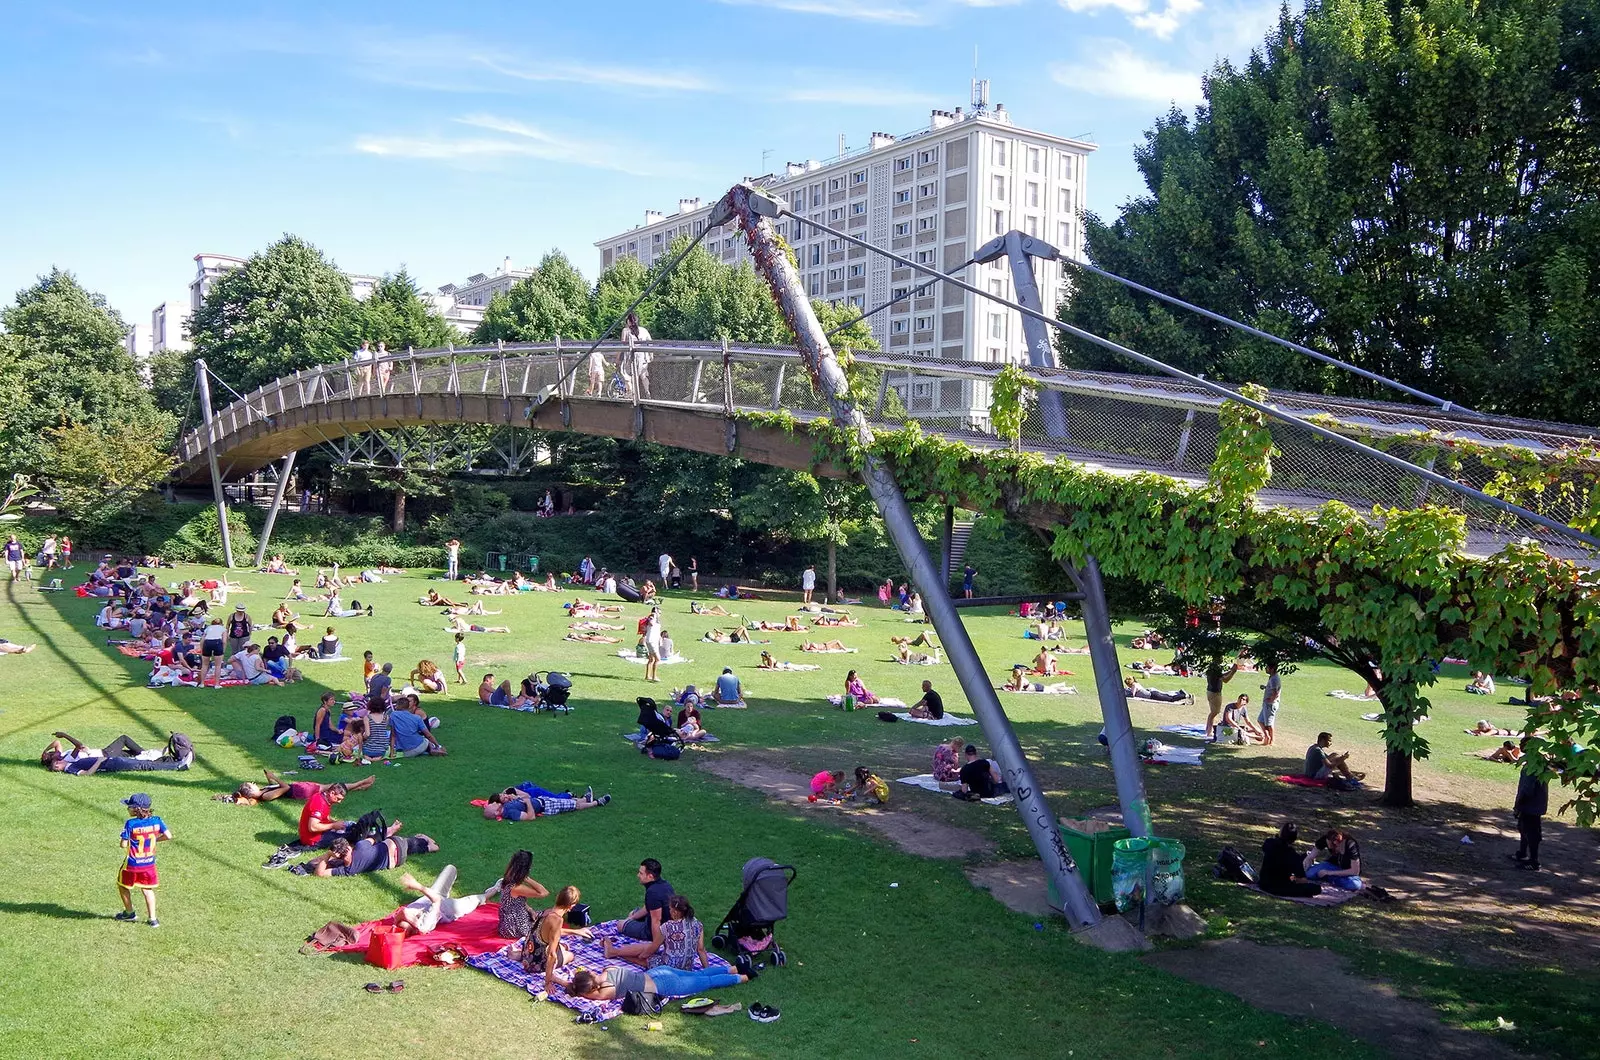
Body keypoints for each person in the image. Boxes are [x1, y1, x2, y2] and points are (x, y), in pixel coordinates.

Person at [604, 893, 708, 972]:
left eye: (670, 909)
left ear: (675, 912)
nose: (669, 911)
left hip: (669, 968)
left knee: (645, 956)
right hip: (687, 968)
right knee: (651, 951)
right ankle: (615, 951)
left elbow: (654, 947)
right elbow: (701, 949)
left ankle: (615, 952)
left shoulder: (668, 927)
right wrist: (707, 970)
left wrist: (642, 955)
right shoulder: (697, 924)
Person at [559, 962, 750, 1003]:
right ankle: (730, 968)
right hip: (658, 972)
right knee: (698, 974)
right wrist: (559, 979)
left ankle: (740, 977)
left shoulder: (606, 991)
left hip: (664, 986)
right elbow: (582, 983)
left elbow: (585, 992)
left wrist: (568, 986)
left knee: (706, 982)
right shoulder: (608, 970)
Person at [114, 793, 171, 927]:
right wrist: (154, 839)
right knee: (147, 889)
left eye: (129, 807)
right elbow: (168, 836)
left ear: (135, 809)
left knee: (122, 885)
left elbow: (123, 844)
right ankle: (153, 919)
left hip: (132, 864)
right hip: (149, 863)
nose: (127, 809)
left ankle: (129, 913)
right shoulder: (157, 820)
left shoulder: (131, 823)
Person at [391, 865, 495, 937]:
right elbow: (436, 901)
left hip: (432, 895)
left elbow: (402, 912)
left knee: (451, 869)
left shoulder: (399, 920)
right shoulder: (424, 925)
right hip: (448, 908)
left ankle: (445, 893)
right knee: (474, 900)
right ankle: (495, 889)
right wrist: (418, 886)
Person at [521, 886, 591, 982]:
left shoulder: (548, 912)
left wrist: (576, 932)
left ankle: (516, 955)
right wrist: (548, 982)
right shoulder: (557, 920)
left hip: (527, 954)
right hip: (535, 965)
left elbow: (551, 932)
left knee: (564, 946)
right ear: (571, 906)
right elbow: (551, 954)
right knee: (570, 955)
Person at [306, 829, 439, 877]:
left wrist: (328, 855)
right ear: (349, 848)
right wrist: (391, 830)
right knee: (410, 841)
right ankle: (426, 840)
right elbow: (375, 838)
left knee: (413, 847)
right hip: (398, 844)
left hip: (398, 861)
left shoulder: (349, 870)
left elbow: (320, 873)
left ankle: (427, 846)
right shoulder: (361, 846)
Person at [222, 768, 372, 805]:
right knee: (333, 786)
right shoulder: (266, 796)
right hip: (300, 791)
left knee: (330, 786)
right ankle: (360, 783)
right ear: (251, 793)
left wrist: (269, 779)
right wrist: (275, 777)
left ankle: (358, 787)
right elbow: (285, 788)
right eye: (252, 785)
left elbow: (275, 788)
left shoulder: (264, 791)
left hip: (299, 788)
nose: (254, 784)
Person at [493, 850, 550, 939]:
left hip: (507, 924)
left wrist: (530, 910)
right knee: (550, 919)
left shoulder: (508, 878)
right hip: (515, 926)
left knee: (547, 914)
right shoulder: (516, 888)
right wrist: (527, 879)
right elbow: (544, 892)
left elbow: (515, 901)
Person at [1512, 739, 1548, 871]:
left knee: (1531, 832)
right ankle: (1522, 853)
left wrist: (1518, 805)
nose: (1520, 746)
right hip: (1533, 802)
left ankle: (1534, 861)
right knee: (1523, 828)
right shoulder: (1537, 760)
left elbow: (1528, 788)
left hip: (1531, 804)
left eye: (1523, 744)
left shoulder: (1533, 763)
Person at [1258, 823, 1322, 898]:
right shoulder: (1292, 855)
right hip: (1279, 887)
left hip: (1263, 883)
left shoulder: (1269, 843)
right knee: (1316, 888)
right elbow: (1303, 880)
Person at [620, 858, 675, 942]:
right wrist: (631, 918)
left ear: (650, 876)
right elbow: (648, 908)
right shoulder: (665, 884)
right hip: (667, 923)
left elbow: (656, 920)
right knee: (633, 913)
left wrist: (656, 943)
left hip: (656, 931)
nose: (638, 875)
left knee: (620, 924)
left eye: (641, 873)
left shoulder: (653, 893)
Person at [484, 785, 610, 820]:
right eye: (492, 805)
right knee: (574, 806)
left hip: (543, 801)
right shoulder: (510, 813)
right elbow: (530, 817)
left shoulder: (506, 807)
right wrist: (527, 802)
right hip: (546, 806)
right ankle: (597, 803)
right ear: (496, 811)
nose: (494, 804)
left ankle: (586, 799)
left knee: (567, 801)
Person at [298, 782, 355, 848]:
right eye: (338, 799)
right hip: (313, 840)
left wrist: (334, 822)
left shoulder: (324, 797)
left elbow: (325, 817)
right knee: (350, 835)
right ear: (332, 793)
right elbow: (312, 827)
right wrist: (333, 825)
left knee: (350, 824)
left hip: (320, 832)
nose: (339, 802)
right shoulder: (319, 804)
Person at [1202, 658, 1239, 740]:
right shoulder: (1215, 669)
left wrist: (1231, 671)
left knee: (1213, 712)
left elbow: (1222, 676)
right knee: (1214, 712)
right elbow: (1225, 680)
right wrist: (1233, 672)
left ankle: (1208, 729)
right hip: (1214, 693)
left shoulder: (1213, 668)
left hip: (1211, 692)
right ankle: (1209, 731)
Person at [199, 609, 227, 689]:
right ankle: (217, 684)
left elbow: (202, 641)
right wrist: (223, 650)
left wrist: (201, 650)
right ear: (221, 623)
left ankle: (202, 683)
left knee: (204, 664)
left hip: (207, 643)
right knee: (218, 665)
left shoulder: (208, 628)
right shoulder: (223, 629)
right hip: (217, 642)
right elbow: (224, 641)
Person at [1259, 660, 1283, 746]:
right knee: (1260, 720)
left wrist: (1271, 700)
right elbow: (1273, 689)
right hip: (1267, 704)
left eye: (1267, 667)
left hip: (1270, 705)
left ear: (1272, 669)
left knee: (1269, 723)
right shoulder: (1272, 677)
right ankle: (1267, 737)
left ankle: (1271, 740)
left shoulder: (1274, 679)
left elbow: (1276, 692)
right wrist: (1265, 687)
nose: (1266, 669)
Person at [1124, 675, 1191, 704]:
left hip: (1153, 695)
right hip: (1152, 693)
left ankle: (1185, 695)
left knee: (1171, 699)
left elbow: (1132, 695)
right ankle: (1179, 692)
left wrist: (1124, 694)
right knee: (1167, 695)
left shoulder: (1134, 685)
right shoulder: (1136, 683)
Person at [642, 607, 663, 683]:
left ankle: (647, 676)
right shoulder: (652, 616)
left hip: (653, 640)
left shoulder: (657, 620)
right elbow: (651, 623)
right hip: (651, 641)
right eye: (659, 613)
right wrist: (654, 615)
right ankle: (654, 676)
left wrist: (660, 639)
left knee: (651, 659)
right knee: (657, 659)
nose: (660, 615)